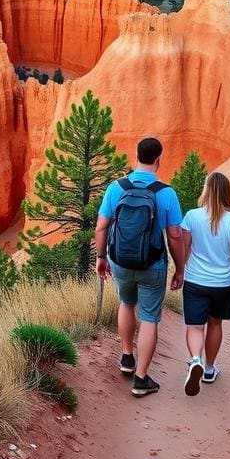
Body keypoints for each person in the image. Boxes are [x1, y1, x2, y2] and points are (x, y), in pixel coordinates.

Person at [94, 137, 185, 397]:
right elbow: (175, 235)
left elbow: (101, 227)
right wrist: (180, 268)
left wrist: (102, 257)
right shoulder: (166, 193)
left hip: (120, 261)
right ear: (159, 159)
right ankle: (141, 379)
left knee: (126, 303)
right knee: (149, 318)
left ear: (136, 155)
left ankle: (126, 357)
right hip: (153, 264)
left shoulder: (116, 188)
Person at [179, 171, 230, 397]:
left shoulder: (191, 217)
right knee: (215, 324)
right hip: (223, 282)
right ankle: (209, 369)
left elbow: (185, 249)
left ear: (206, 190)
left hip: (195, 280)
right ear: (226, 193)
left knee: (194, 326)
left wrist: (179, 272)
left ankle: (194, 360)